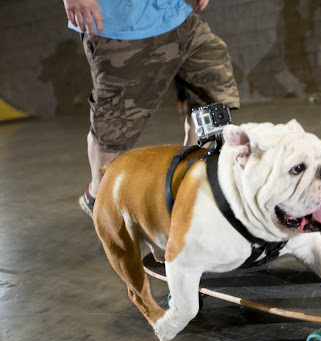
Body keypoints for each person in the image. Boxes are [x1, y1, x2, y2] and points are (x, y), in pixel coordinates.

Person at [63, 0, 240, 217]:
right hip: (124, 26)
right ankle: (98, 196)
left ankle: (188, 181)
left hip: (179, 13)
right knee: (115, 124)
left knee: (214, 94)